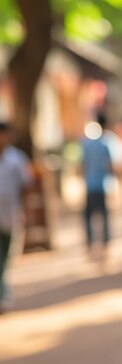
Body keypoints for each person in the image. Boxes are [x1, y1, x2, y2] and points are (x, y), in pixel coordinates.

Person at [0, 122, 33, 312]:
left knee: (7, 257)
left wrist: (26, 214)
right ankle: (3, 295)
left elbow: (27, 186)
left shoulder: (16, 159)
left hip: (11, 215)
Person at [81, 114, 114, 259]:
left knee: (89, 216)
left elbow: (82, 165)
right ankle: (105, 244)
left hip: (90, 185)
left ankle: (90, 244)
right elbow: (110, 165)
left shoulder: (87, 144)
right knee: (104, 216)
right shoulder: (106, 144)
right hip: (102, 186)